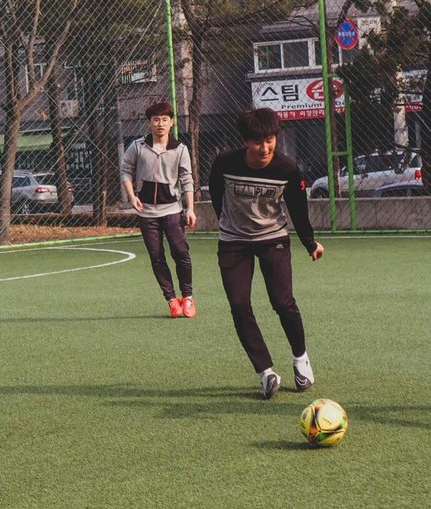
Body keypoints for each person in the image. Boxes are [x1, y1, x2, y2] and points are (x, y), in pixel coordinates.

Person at [207, 107, 323, 399]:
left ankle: (300, 359)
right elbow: (217, 194)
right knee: (239, 304)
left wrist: (310, 242)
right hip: (233, 241)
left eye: (270, 139)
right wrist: (227, 221)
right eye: (258, 141)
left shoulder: (286, 169)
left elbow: (298, 208)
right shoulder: (225, 163)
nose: (265, 147)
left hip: (273, 238)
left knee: (283, 302)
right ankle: (266, 372)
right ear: (245, 140)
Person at [119, 100, 197, 317]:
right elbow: (125, 171)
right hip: (146, 213)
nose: (160, 124)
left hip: (172, 210)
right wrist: (132, 195)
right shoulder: (137, 146)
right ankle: (172, 299)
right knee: (156, 256)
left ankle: (188, 297)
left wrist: (189, 208)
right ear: (149, 123)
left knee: (180, 252)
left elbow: (187, 179)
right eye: (156, 120)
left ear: (171, 122)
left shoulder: (180, 149)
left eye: (164, 119)